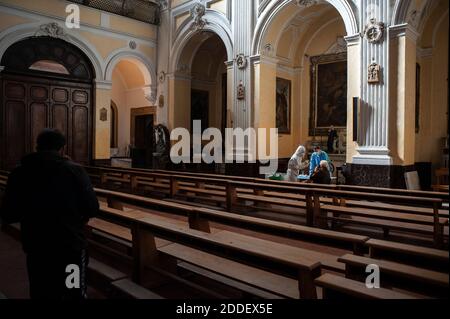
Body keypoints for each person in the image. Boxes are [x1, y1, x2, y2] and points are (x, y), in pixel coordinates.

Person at [0, 129, 99, 299]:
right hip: (70, 247)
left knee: (41, 291)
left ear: (37, 147)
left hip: (36, 247)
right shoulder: (74, 171)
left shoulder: (19, 173)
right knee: (73, 292)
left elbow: (9, 213)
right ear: (62, 149)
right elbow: (92, 208)